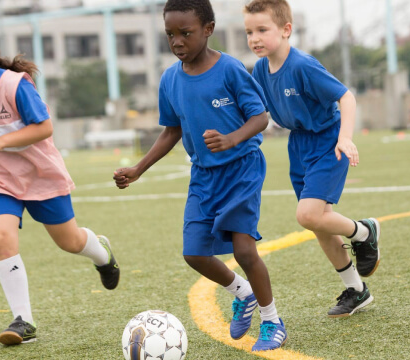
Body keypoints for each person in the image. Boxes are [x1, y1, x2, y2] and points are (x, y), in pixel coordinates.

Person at [113, 0, 286, 352]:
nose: (177, 41)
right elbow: (171, 130)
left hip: (242, 169)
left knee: (244, 251)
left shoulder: (230, 70)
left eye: (185, 33)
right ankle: (243, 293)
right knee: (194, 253)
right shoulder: (170, 79)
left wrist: (231, 138)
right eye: (170, 34)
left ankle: (272, 321)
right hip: (203, 176)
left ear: (208, 30)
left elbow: (260, 117)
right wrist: (138, 169)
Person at [0, 22, 120, 346]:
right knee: (0, 237)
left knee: (70, 242)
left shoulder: (14, 86)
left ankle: (102, 253)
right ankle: (24, 320)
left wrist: (3, 141)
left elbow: (45, 127)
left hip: (40, 175)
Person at [244, 0, 380, 317]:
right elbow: (256, 110)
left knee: (307, 215)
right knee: (319, 223)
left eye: (262, 30)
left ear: (286, 30)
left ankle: (364, 232)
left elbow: (346, 97)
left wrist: (344, 138)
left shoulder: (302, 65)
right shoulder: (261, 69)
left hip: (327, 141)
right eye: (249, 32)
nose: (254, 38)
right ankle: (357, 291)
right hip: (299, 146)